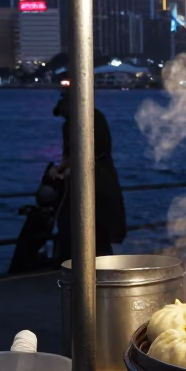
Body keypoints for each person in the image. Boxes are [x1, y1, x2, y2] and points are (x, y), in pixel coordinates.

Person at [52, 89, 127, 263]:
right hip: (88, 183)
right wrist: (61, 168)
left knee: (94, 225)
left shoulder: (91, 120)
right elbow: (70, 154)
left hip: (96, 181)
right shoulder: (74, 123)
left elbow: (92, 152)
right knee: (83, 227)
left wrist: (68, 169)